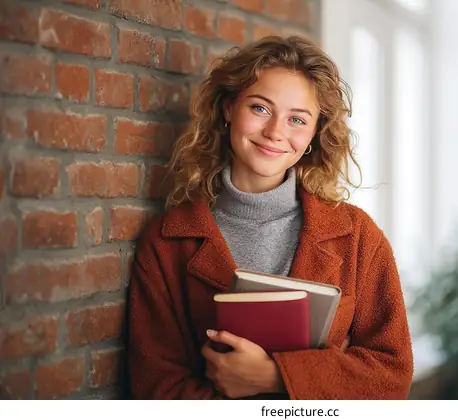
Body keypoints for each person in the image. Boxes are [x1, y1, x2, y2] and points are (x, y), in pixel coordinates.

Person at [127, 35, 414, 400]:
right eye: (260, 108)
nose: (276, 132)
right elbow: (157, 387)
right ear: (230, 108)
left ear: (314, 134)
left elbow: (392, 374)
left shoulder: (358, 236)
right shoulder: (167, 242)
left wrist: (278, 377)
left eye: (297, 119)